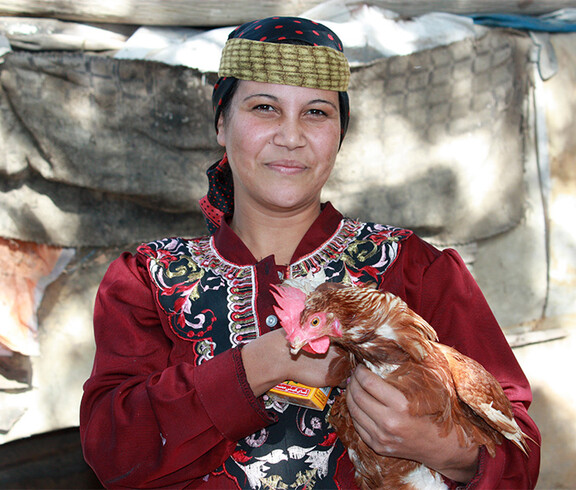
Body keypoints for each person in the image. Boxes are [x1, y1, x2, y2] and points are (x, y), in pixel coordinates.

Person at [80, 16, 541, 489]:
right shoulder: (150, 278)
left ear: (340, 132)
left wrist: (445, 449)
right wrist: (268, 360)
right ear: (221, 122)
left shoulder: (412, 267)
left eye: (317, 112)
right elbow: (114, 451)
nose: (291, 135)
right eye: (264, 107)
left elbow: (518, 452)